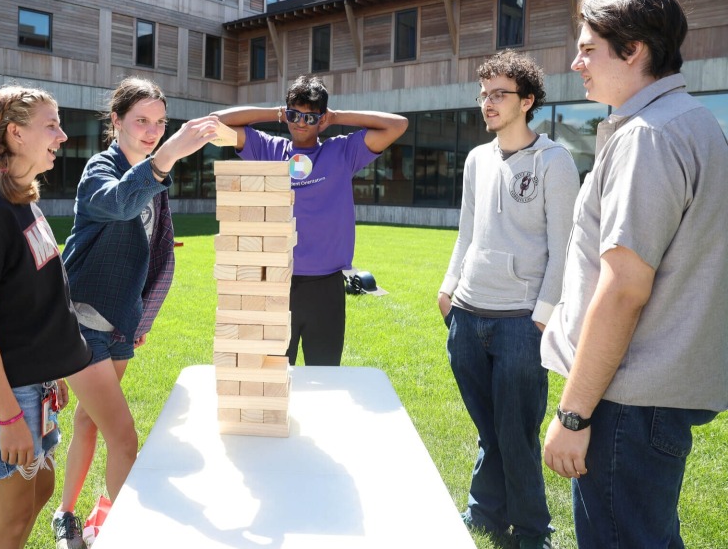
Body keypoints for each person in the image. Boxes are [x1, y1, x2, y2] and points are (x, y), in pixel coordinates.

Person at [541, 0, 728, 548]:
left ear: (635, 50)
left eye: (588, 48)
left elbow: (624, 288)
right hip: (650, 399)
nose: (576, 64)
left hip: (625, 402)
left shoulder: (648, 136)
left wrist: (573, 416)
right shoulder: (692, 123)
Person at [52, 77, 220, 549]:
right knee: (124, 438)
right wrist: (166, 156)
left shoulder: (155, 177)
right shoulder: (99, 169)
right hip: (82, 320)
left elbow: (156, 253)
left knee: (90, 420)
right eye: (141, 121)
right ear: (116, 122)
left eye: (160, 123)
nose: (152, 131)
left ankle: (78, 515)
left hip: (121, 321)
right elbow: (119, 205)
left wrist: (138, 318)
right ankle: (120, 531)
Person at [0, 85, 97, 548]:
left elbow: (36, 295)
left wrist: (52, 369)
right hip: (1, 398)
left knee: (41, 490)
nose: (63, 135)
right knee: (10, 521)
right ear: (15, 134)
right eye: (51, 125)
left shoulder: (22, 199)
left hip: (33, 386)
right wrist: (9, 417)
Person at [437, 50, 579, 549]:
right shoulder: (477, 159)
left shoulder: (554, 162)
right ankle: (486, 512)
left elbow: (565, 246)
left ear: (528, 101)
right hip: (468, 314)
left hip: (521, 321)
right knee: (489, 426)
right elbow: (466, 231)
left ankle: (532, 528)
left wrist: (543, 315)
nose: (488, 103)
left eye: (500, 94)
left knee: (515, 431)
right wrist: (449, 286)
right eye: (484, 94)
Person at [212, 75, 408, 366]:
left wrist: (337, 116)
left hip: (326, 286)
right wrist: (275, 113)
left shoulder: (342, 151)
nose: (300, 123)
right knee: (273, 375)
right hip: (276, 283)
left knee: (325, 376)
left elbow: (398, 125)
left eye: (310, 116)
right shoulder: (269, 149)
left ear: (322, 118)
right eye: (294, 114)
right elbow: (216, 122)